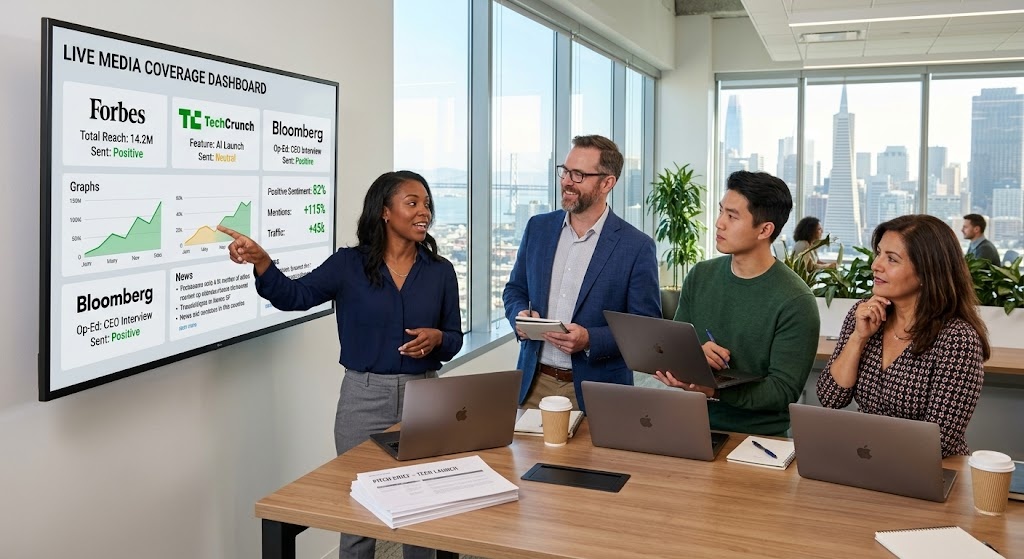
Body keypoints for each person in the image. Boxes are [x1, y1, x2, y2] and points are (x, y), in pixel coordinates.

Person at [219, 170, 462, 559]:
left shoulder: (440, 271)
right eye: (412, 203)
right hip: (362, 398)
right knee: (359, 511)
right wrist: (263, 262)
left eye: (427, 204)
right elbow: (294, 296)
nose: (424, 212)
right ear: (384, 211)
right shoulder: (348, 265)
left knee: (421, 509)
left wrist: (438, 339)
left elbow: (454, 339)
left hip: (425, 397)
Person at [654, 171, 819, 436]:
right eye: (721, 211)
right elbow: (674, 347)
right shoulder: (700, 275)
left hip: (757, 438)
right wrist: (693, 355)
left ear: (765, 230)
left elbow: (782, 391)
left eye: (732, 216)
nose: (719, 223)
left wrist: (713, 389)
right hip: (688, 424)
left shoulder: (796, 301)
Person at [502, 134, 661, 412]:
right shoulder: (538, 229)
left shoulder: (636, 246)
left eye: (578, 175)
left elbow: (644, 329)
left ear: (607, 183)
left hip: (600, 392)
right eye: (565, 171)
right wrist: (520, 315)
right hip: (533, 386)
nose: (566, 181)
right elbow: (515, 289)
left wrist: (590, 339)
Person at [817, 214, 989, 457]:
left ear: (926, 272)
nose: (876, 265)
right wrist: (858, 337)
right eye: (879, 253)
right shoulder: (865, 314)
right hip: (868, 460)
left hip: (929, 472)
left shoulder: (957, 339)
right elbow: (831, 398)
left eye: (892, 259)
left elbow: (939, 441)